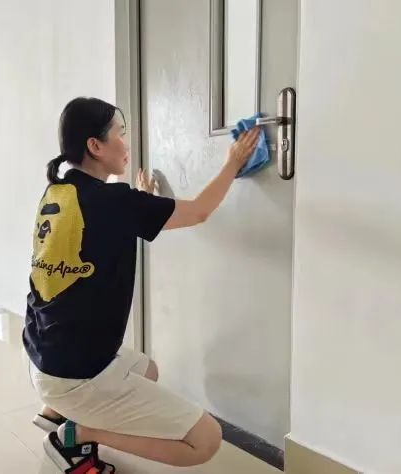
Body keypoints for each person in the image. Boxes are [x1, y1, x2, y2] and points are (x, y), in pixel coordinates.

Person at [23, 97, 260, 473]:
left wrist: (142, 199)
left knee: (147, 369)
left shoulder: (59, 191)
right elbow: (199, 211)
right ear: (95, 145)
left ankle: (54, 412)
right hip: (74, 375)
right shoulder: (114, 202)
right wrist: (234, 161)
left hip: (44, 355)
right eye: (120, 133)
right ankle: (76, 433)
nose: (127, 142)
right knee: (204, 441)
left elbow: (103, 227)